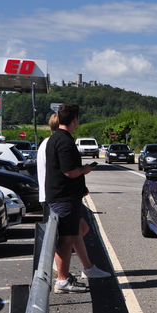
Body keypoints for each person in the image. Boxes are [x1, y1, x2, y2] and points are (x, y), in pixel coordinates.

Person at [38, 113, 109, 280]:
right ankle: (64, 267)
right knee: (69, 236)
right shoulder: (57, 143)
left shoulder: (49, 143)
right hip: (58, 196)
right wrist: (83, 171)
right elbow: (66, 172)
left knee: (79, 230)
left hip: (53, 195)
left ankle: (87, 267)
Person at [45, 103, 99, 293]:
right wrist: (86, 169)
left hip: (62, 196)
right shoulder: (65, 141)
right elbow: (69, 172)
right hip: (64, 198)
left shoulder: (54, 138)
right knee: (66, 239)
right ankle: (62, 280)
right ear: (75, 120)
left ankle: (66, 275)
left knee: (74, 233)